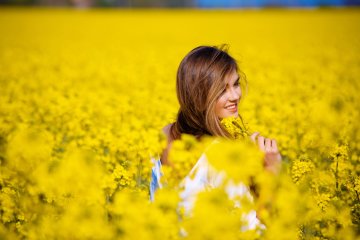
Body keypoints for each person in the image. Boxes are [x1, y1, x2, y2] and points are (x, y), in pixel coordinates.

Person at [149, 45, 282, 231]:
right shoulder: (220, 157)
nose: (235, 96)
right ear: (199, 95)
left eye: (236, 84)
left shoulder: (164, 135)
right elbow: (255, 232)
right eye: (222, 90)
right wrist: (271, 170)